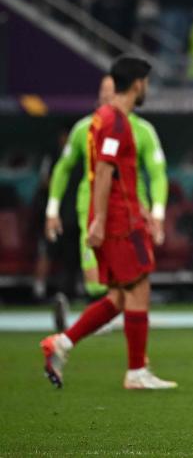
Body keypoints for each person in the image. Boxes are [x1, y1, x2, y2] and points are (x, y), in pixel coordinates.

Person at [39, 57, 176, 391]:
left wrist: (142, 209)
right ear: (138, 83)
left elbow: (117, 176)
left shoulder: (104, 119)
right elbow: (103, 171)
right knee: (139, 287)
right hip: (117, 222)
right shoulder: (115, 121)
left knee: (119, 296)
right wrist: (100, 220)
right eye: (146, 83)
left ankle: (63, 343)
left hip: (123, 215)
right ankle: (136, 371)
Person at [45, 75, 167, 304]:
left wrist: (158, 213)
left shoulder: (142, 130)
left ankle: (112, 313)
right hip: (91, 204)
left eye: (112, 91)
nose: (107, 96)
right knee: (94, 275)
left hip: (134, 207)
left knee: (136, 273)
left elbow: (158, 173)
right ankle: (102, 310)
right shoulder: (83, 129)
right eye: (103, 91)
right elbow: (63, 169)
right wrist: (52, 210)